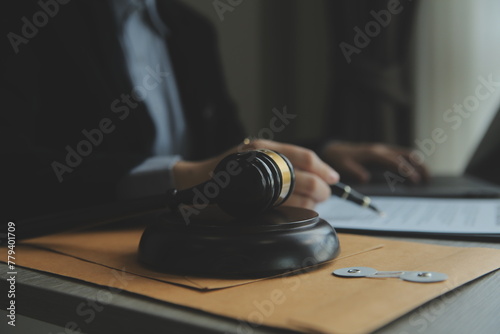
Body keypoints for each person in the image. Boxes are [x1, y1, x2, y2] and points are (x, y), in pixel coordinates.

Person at [1, 0, 426, 223]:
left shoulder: (191, 29)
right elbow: (15, 173)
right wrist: (182, 179)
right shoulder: (25, 17)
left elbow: (226, 149)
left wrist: (326, 152)